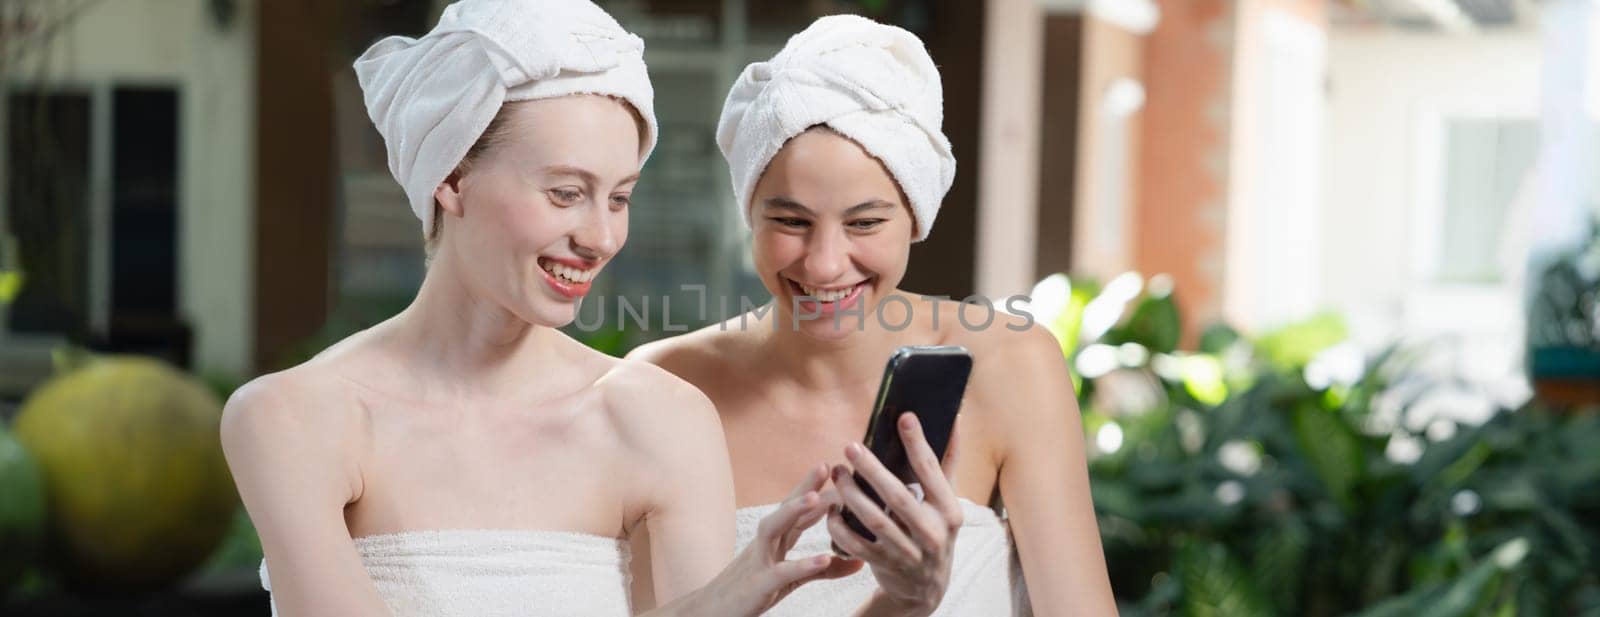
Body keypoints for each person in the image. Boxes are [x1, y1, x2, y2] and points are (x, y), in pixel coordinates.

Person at [221, 2, 856, 615]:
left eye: (619, 198)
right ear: (452, 178)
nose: (601, 237)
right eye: (566, 192)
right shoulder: (295, 419)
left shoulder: (662, 419)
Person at [629, 14, 1119, 616]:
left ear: (915, 217)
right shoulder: (666, 389)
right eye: (790, 221)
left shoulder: (1010, 362)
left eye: (865, 222)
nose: (826, 264)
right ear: (748, 215)